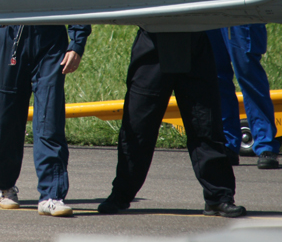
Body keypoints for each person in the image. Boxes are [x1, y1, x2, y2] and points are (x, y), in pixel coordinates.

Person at [98, 29, 246, 218]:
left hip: (195, 42)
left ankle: (219, 197)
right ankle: (120, 195)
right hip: (153, 41)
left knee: (206, 125)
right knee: (138, 128)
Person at [0, 23, 90, 216]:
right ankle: (5, 186)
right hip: (9, 35)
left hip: (50, 37)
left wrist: (77, 43)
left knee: (50, 118)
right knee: (3, 121)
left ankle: (51, 195)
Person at [209, 25, 281, 169]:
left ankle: (265, 144)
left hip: (239, 10)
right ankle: (227, 143)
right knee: (215, 74)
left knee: (248, 71)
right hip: (208, 8)